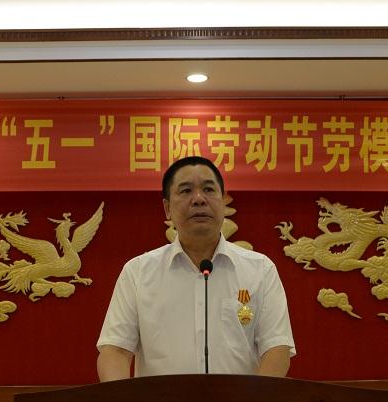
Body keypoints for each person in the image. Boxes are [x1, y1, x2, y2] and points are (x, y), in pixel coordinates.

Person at [96, 156, 295, 381]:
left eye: (209, 189)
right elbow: (116, 351)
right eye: (186, 191)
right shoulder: (138, 272)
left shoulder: (260, 270)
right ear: (167, 208)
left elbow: (276, 350)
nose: (199, 199)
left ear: (223, 202)